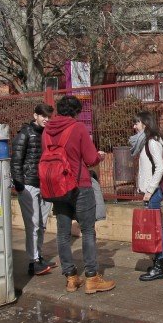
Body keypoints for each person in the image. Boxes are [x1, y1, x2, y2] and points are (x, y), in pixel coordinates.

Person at [45, 95, 115, 294]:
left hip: (57, 187)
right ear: (76, 111)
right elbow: (91, 159)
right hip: (79, 185)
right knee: (88, 231)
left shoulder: (47, 131)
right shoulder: (78, 128)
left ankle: (71, 278)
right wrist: (100, 156)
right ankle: (92, 278)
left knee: (63, 234)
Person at [11, 103, 55, 276]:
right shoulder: (24, 134)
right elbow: (16, 160)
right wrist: (19, 185)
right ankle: (33, 261)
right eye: (43, 116)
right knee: (33, 224)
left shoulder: (47, 134)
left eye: (49, 116)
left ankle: (39, 256)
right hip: (28, 184)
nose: (46, 119)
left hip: (44, 184)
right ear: (35, 115)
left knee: (41, 225)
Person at [131, 110, 163, 281]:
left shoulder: (152, 142)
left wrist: (149, 190)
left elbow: (160, 168)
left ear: (145, 124)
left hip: (153, 192)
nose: (134, 126)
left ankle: (158, 267)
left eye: (136, 123)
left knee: (154, 228)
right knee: (159, 226)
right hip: (153, 191)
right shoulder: (148, 141)